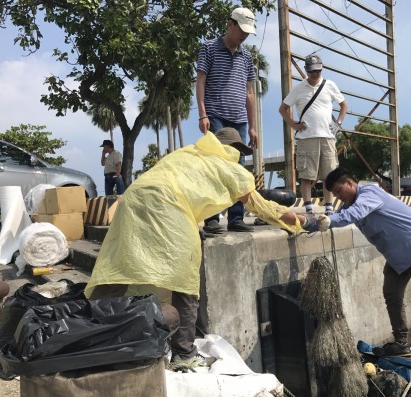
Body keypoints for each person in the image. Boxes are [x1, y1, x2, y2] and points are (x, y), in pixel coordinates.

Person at [85, 128, 299, 367]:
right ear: (230, 149)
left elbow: (184, 187)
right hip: (167, 205)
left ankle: (94, 331)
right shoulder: (227, 165)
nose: (238, 154)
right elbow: (258, 205)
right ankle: (184, 353)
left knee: (122, 266)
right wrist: (294, 220)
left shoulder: (187, 154)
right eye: (238, 150)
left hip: (133, 199)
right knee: (184, 281)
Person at [299, 167, 411, 374]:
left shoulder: (369, 194)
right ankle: (401, 343)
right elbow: (333, 219)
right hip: (397, 257)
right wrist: (300, 223)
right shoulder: (350, 203)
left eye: (338, 191)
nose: (337, 196)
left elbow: (351, 215)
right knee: (391, 294)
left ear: (350, 183)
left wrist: (327, 221)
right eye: (334, 194)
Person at [196, 6, 257, 232]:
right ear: (229, 24)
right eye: (241, 29)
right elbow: (200, 81)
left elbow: (249, 93)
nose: (244, 35)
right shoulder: (209, 48)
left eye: (248, 32)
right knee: (216, 166)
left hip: (240, 119)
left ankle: (236, 218)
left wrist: (252, 127)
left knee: (239, 169)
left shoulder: (247, 56)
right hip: (215, 116)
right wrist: (202, 114)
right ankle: (212, 218)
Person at [279, 53, 347, 216]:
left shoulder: (329, 85)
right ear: (306, 71)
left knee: (329, 174)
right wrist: (293, 124)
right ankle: (309, 209)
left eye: (318, 71)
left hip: (328, 137)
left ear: (322, 69)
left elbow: (343, 104)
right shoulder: (299, 88)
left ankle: (329, 208)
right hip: (306, 137)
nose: (315, 74)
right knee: (306, 175)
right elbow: (282, 108)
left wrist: (338, 123)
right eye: (312, 71)